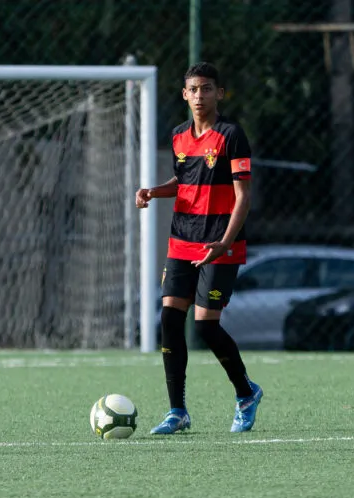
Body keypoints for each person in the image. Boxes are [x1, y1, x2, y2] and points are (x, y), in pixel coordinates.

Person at [135, 62, 263, 434]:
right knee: (170, 320)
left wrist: (224, 242)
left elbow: (244, 195)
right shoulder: (178, 136)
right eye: (194, 89)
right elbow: (186, 180)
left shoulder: (232, 136)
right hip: (182, 241)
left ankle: (246, 393)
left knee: (206, 326)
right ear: (185, 94)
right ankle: (177, 411)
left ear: (219, 94)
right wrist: (153, 192)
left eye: (208, 88)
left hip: (220, 245)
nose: (200, 95)